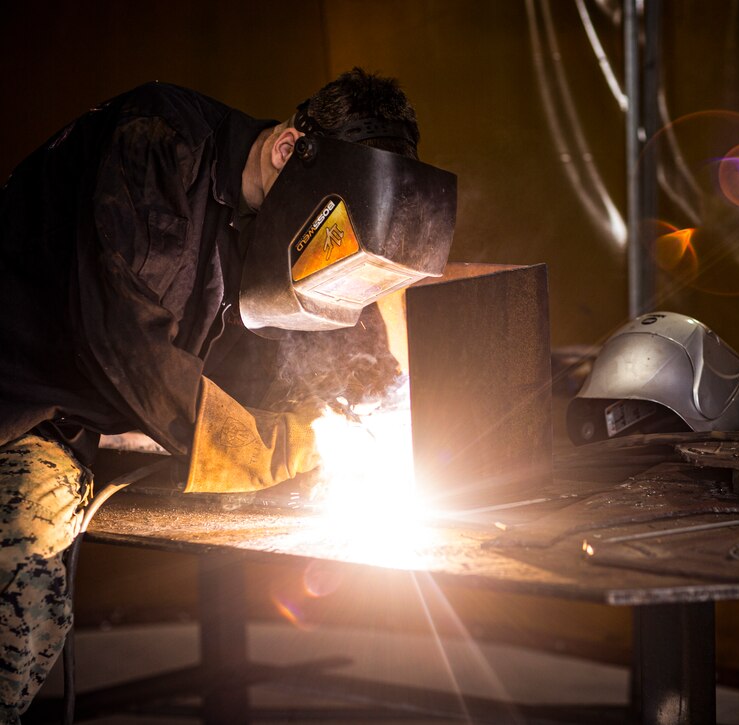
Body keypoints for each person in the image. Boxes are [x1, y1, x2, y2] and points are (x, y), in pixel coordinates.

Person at [0, 67, 455, 720]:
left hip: (102, 421)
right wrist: (286, 446)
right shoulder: (157, 148)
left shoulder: (281, 217)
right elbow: (129, 348)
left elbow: (328, 331)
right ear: (285, 150)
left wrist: (383, 419)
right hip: (25, 410)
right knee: (24, 567)